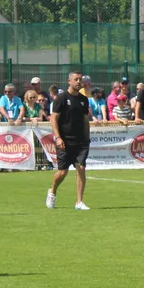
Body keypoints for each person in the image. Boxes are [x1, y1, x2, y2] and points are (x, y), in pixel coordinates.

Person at [47, 71, 91, 211]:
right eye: (76, 79)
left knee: (81, 168)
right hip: (65, 141)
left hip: (81, 142)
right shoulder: (61, 98)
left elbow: (85, 120)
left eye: (80, 79)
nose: (79, 82)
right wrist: (58, 137)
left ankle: (79, 202)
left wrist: (87, 138)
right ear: (69, 81)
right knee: (62, 173)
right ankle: (52, 191)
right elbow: (53, 118)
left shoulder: (84, 99)